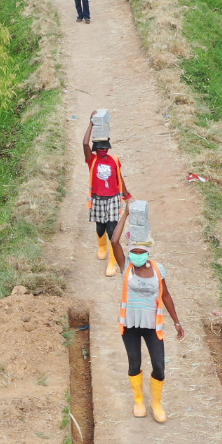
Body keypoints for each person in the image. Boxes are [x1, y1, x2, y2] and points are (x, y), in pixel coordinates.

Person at [109, 213, 184, 424]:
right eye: (134, 251)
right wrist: (125, 214)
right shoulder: (126, 268)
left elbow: (166, 295)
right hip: (130, 324)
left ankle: (156, 403)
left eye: (141, 252)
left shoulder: (158, 270)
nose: (137, 255)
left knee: (159, 365)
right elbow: (114, 241)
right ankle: (139, 400)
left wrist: (177, 321)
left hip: (152, 325)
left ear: (148, 252)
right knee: (135, 363)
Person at [83, 115, 130, 276]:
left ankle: (113, 261)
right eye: (100, 148)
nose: (103, 150)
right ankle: (101, 247)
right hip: (98, 199)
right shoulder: (92, 160)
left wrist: (127, 195)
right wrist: (91, 123)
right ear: (96, 149)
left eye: (105, 148)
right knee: (100, 227)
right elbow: (84, 143)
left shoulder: (114, 160)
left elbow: (119, 178)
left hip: (113, 199)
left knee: (112, 230)